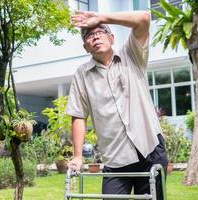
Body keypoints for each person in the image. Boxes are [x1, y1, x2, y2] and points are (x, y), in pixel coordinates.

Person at [66, 10, 168, 200]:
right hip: (115, 158)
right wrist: (78, 155)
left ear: (112, 38)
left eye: (100, 31)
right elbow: (78, 114)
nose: (95, 36)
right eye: (88, 34)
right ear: (85, 47)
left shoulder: (132, 55)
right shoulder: (82, 74)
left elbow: (144, 18)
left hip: (150, 149)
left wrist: (103, 17)